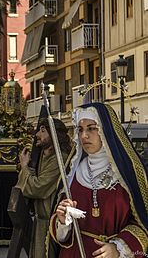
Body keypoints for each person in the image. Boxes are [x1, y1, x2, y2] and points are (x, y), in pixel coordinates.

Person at [48, 102, 148, 257]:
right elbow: (60, 231)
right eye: (80, 130)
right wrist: (63, 221)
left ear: (105, 130)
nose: (84, 136)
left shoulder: (128, 174)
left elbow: (143, 224)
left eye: (91, 128)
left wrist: (118, 248)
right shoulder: (72, 173)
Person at [16, 116, 72, 258]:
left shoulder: (59, 159)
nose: (37, 135)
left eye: (42, 131)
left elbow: (37, 188)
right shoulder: (42, 156)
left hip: (51, 223)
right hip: (40, 221)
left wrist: (24, 168)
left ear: (54, 134)